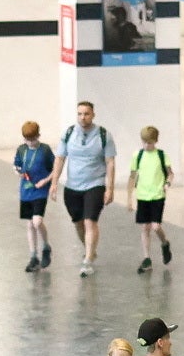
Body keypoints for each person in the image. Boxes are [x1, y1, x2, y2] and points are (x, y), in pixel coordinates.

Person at [53, 101, 116, 274]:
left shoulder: (103, 135)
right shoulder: (69, 133)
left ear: (93, 115)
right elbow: (60, 158)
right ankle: (90, 250)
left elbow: (110, 162)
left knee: (90, 221)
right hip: (73, 186)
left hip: (95, 184)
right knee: (79, 223)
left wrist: (110, 188)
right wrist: (54, 183)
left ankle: (87, 259)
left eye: (86, 114)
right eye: (80, 114)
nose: (83, 117)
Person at [128, 124, 176, 273]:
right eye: (144, 142)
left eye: (149, 142)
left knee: (156, 226)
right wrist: (129, 197)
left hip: (157, 195)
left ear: (155, 141)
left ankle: (164, 243)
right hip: (143, 195)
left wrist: (167, 183)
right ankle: (147, 258)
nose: (146, 145)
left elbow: (170, 173)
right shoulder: (138, 155)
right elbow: (132, 175)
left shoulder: (161, 155)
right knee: (145, 227)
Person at [12, 120, 57, 271]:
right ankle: (33, 256)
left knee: (37, 221)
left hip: (40, 190)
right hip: (26, 190)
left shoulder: (45, 150)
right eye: (27, 139)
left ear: (38, 135)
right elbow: (16, 165)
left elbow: (55, 168)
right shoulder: (21, 150)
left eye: (33, 139)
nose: (30, 142)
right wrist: (18, 171)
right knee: (30, 224)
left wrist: (46, 181)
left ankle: (46, 247)